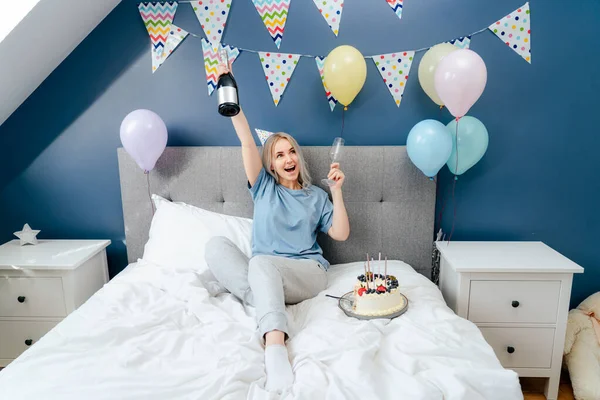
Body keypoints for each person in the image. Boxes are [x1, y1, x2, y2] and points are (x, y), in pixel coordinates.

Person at [205, 61, 350, 392]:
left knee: (260, 264)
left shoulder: (315, 196)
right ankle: (265, 297)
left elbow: (340, 234)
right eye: (279, 154)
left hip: (307, 272)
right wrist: (231, 94)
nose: (288, 159)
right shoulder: (263, 187)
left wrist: (337, 193)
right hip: (264, 270)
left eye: (291, 152)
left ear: (298, 157)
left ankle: (274, 344)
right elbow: (245, 140)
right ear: (270, 163)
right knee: (215, 246)